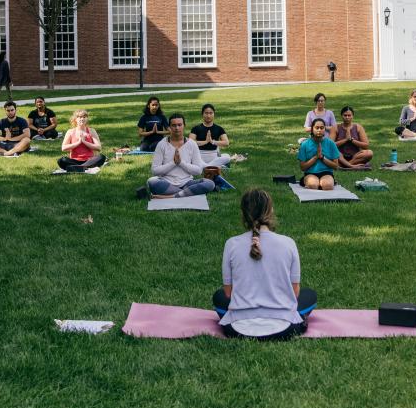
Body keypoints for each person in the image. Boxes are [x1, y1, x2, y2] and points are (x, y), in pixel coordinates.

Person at [211, 188, 317, 340]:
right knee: (310, 295)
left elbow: (228, 293)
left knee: (219, 296)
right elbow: (295, 293)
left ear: (243, 214)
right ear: (271, 211)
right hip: (284, 327)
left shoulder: (231, 244)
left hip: (237, 328)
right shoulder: (288, 243)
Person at [146, 113, 219, 198]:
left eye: (179, 125)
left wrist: (181, 163)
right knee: (151, 181)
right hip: (167, 182)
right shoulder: (162, 144)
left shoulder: (192, 144)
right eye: (174, 125)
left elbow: (198, 170)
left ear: (184, 125)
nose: (177, 128)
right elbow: (155, 171)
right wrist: (173, 163)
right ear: (169, 127)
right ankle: (187, 193)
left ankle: (172, 196)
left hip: (187, 183)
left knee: (210, 183)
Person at [297, 120, 340, 190]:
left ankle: (325, 182)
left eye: (322, 128)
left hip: (326, 173)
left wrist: (322, 157)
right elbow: (302, 168)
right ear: (312, 129)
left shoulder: (331, 143)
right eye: (317, 128)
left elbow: (335, 166)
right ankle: (308, 181)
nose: (319, 130)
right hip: (310, 173)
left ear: (325, 129)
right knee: (313, 186)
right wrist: (316, 157)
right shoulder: (305, 144)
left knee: (328, 186)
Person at [190, 103, 232, 167]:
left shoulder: (219, 129)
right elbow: (190, 143)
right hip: (200, 156)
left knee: (227, 157)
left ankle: (206, 166)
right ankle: (212, 166)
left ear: (214, 114)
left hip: (214, 156)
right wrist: (205, 142)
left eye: (211, 113)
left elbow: (226, 143)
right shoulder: (196, 128)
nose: (208, 116)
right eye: (206, 113)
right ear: (202, 114)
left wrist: (213, 142)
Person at [332, 105, 373, 169]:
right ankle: (350, 166)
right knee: (333, 152)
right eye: (345, 115)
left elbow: (366, 145)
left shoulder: (358, 127)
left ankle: (346, 166)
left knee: (369, 153)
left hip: (355, 156)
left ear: (352, 116)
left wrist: (352, 140)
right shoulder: (335, 128)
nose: (347, 117)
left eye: (349, 115)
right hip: (340, 156)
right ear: (341, 116)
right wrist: (345, 140)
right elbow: (330, 145)